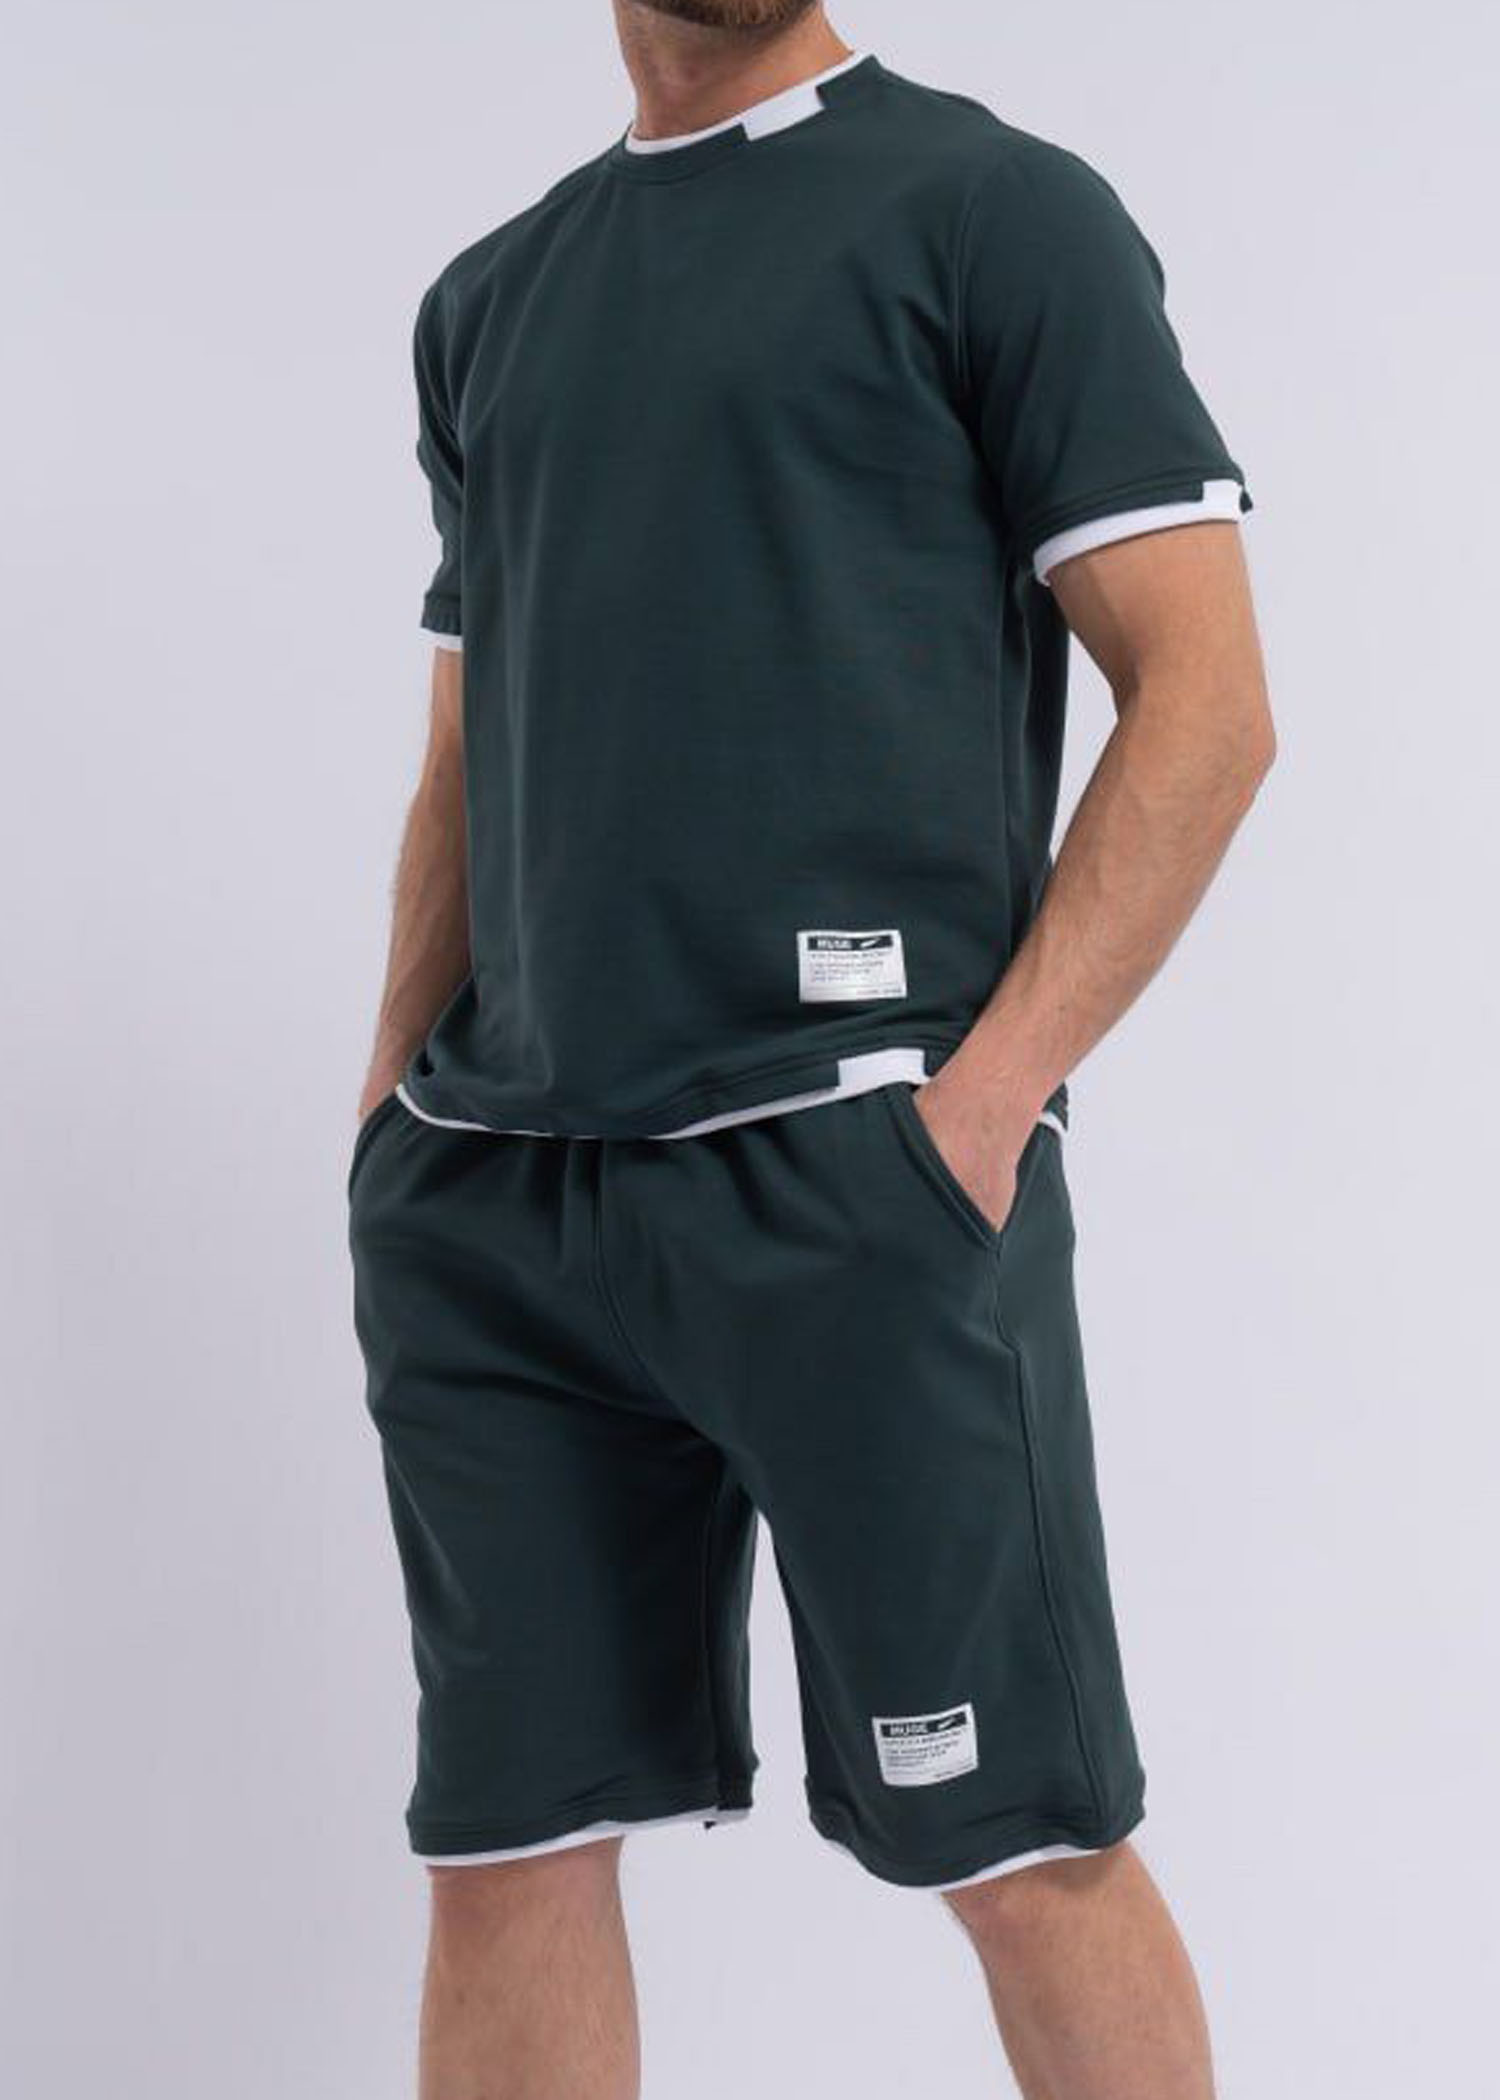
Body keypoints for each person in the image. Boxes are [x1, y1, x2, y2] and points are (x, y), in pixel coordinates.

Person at [347, 5, 1274, 2094]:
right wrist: (387, 1119)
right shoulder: (492, 299)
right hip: (499, 1202)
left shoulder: (993, 213)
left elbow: (1209, 703)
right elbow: (464, 760)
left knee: (1027, 1846)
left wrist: (982, 1109)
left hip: (852, 1180)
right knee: (503, 1854)